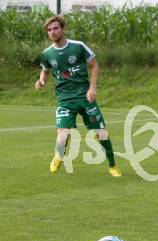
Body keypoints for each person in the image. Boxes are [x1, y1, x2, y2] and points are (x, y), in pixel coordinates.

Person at [35, 15, 121, 177]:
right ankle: (59, 156)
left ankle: (112, 165)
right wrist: (41, 81)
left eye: (55, 28)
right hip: (65, 100)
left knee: (101, 133)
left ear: (63, 29)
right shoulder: (47, 53)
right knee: (63, 135)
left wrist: (92, 88)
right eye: (49, 30)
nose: (52, 32)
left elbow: (95, 65)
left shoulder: (78, 46)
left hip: (85, 98)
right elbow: (45, 70)